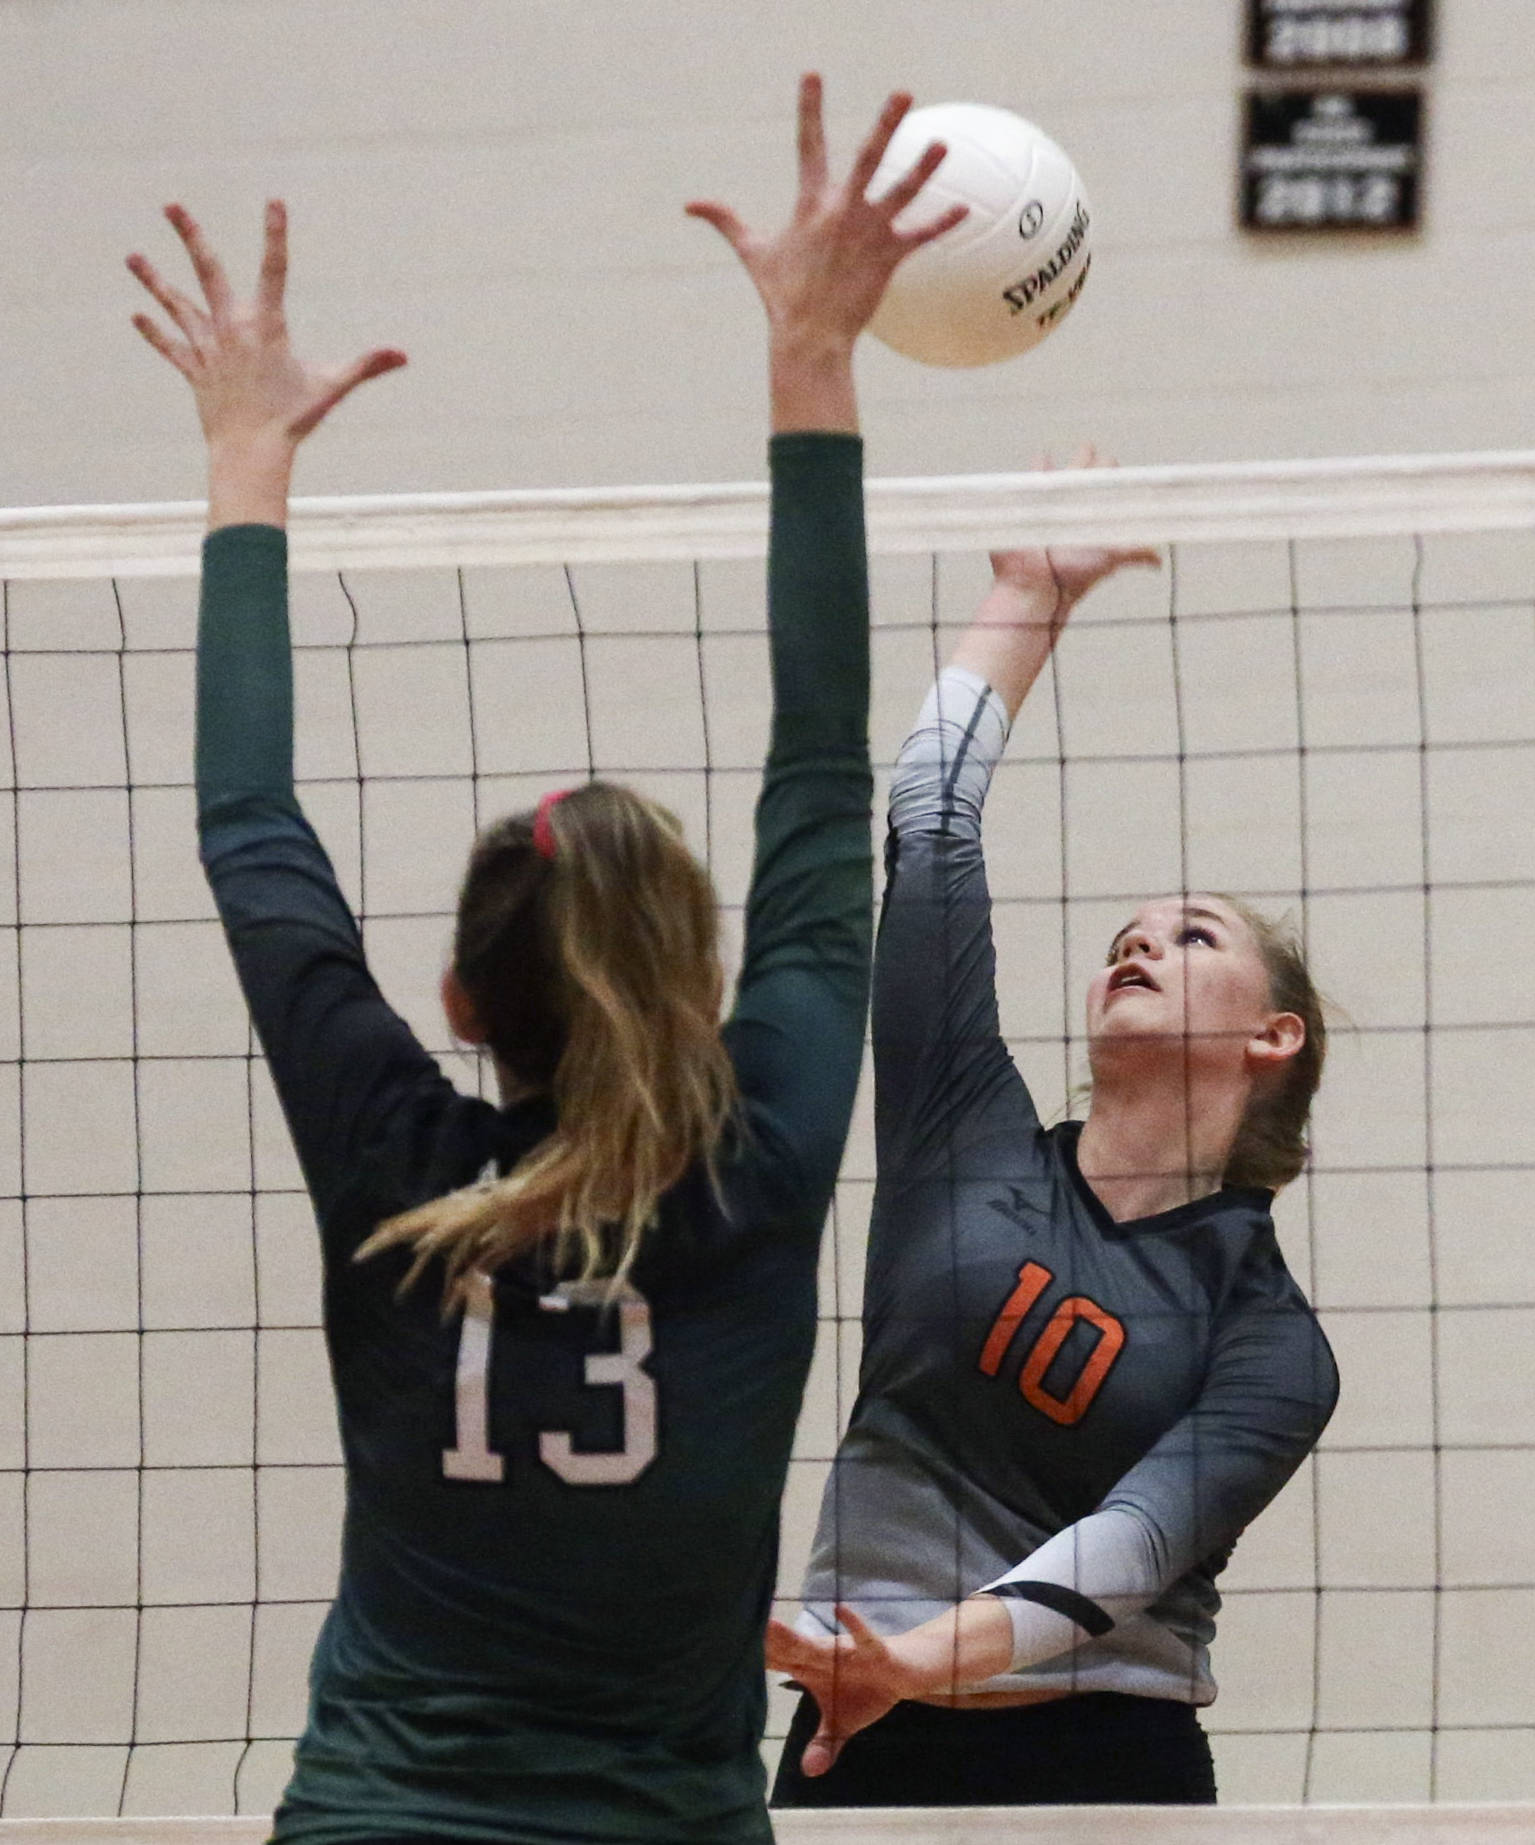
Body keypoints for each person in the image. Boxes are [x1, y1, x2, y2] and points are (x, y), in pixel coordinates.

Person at [125, 76, 963, 1845]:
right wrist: (815, 361)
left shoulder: (396, 1162)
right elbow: (827, 756)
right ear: (698, 979)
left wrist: (242, 460)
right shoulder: (766, 1148)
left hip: (381, 1817)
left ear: (455, 1005)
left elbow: (245, 825)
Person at [767, 470, 1341, 1808]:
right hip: (864, 1728)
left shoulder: (1272, 1340)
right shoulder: (964, 1132)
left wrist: (915, 1656)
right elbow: (930, 829)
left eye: (1194, 936)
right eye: (1125, 934)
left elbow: (1126, 1556)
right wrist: (1022, 599)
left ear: (1276, 1036)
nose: (1140, 941)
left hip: (1101, 1753)